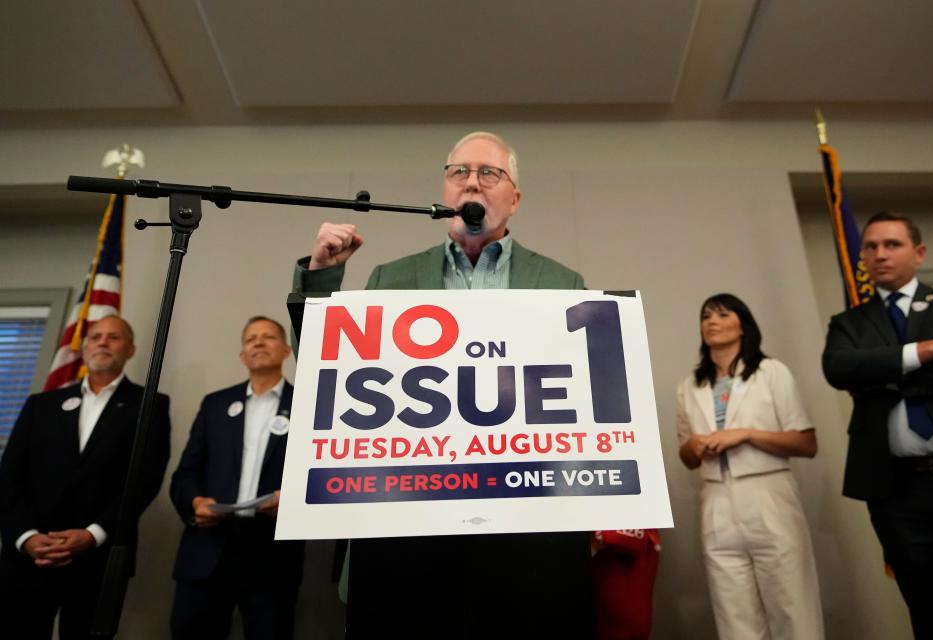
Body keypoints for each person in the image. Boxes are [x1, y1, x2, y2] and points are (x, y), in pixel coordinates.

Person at [293, 131, 592, 638]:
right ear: (444, 192)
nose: (472, 182)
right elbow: (331, 381)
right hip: (409, 532)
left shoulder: (563, 283)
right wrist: (322, 278)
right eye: (460, 173)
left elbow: (585, 402)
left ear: (514, 198)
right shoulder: (391, 278)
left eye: (489, 173)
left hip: (524, 533)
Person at [823, 212, 933, 640]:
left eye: (892, 244)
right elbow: (840, 369)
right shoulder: (849, 323)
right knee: (927, 606)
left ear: (918, 253)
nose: (880, 254)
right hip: (896, 491)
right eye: (871, 246)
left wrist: (882, 373)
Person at [0, 315, 171, 639]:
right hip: (28, 559)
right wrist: (26, 536)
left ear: (131, 349)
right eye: (95, 337)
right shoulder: (41, 405)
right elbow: (9, 478)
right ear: (84, 347)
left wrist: (93, 534)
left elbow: (145, 480)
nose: (103, 342)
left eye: (114, 337)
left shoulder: (149, 405)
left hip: (98, 561)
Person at [676, 293, 823, 640]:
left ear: (743, 325)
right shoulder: (689, 385)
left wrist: (745, 435)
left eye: (723, 314)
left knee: (791, 602)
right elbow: (686, 457)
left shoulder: (771, 372)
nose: (712, 321)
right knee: (732, 611)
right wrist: (695, 446)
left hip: (768, 492)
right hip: (715, 499)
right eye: (706, 316)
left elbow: (806, 443)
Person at [169, 316, 303, 640]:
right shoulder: (215, 404)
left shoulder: (307, 405)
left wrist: (292, 499)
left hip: (271, 556)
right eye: (250, 339)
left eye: (268, 337)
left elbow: (320, 477)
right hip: (207, 551)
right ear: (243, 355)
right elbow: (185, 475)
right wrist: (195, 502)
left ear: (286, 350)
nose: (258, 342)